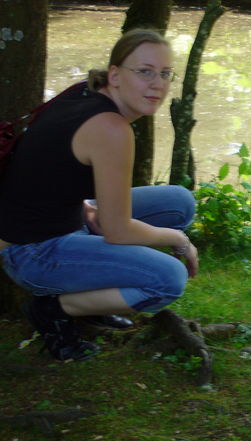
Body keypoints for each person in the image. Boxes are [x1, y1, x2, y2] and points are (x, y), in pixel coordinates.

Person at [0, 29, 199, 361]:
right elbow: (117, 230)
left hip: (67, 219)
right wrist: (177, 239)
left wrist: (89, 212)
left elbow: (52, 169)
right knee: (169, 278)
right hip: (30, 251)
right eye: (145, 71)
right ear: (115, 75)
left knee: (179, 202)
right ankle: (53, 309)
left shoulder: (85, 92)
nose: (158, 84)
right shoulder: (111, 129)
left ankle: (93, 295)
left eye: (165, 74)